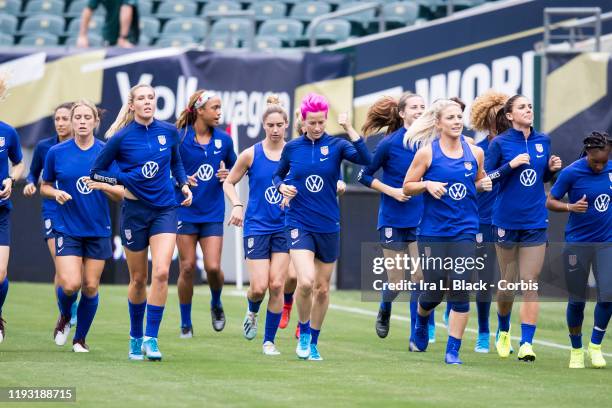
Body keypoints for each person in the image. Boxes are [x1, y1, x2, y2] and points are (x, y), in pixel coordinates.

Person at [90, 83, 192, 361]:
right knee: (138, 279)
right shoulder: (121, 138)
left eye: (151, 98)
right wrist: (124, 180)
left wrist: (183, 185)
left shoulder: (169, 132)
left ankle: (151, 338)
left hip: (165, 210)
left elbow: (177, 162)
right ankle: (135, 336)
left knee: (161, 273)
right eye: (142, 98)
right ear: (132, 104)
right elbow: (97, 172)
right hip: (134, 213)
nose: (147, 102)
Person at [273, 93, 372, 361]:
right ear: (302, 121)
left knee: (322, 289)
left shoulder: (337, 145)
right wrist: (281, 186)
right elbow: (277, 175)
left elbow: (366, 159)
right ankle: (303, 333)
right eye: (312, 122)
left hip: (328, 224)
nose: (317, 127)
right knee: (305, 282)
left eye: (321, 122)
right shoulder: (293, 147)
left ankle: (313, 341)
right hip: (298, 222)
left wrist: (349, 128)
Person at [403, 99, 492, 364]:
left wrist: (482, 183)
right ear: (439, 123)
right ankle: (421, 319)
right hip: (433, 232)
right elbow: (407, 186)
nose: (456, 121)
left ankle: (452, 349)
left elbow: (478, 179)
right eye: (450, 117)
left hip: (465, 230)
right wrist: (427, 184)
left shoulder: (474, 152)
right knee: (434, 290)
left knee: (461, 287)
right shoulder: (427, 153)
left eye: (458, 117)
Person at [41, 100, 124, 352]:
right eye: (78, 117)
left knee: (90, 286)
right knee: (69, 284)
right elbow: (45, 186)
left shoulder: (106, 152)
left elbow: (120, 192)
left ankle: (80, 339)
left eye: (87, 117)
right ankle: (65, 315)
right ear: (72, 120)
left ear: (95, 121)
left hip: (98, 229)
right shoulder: (57, 152)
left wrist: (104, 185)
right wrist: (55, 193)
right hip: (67, 227)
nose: (82, 121)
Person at [485, 94, 562, 362]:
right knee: (507, 284)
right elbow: (485, 180)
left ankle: (527, 343)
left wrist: (551, 171)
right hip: (506, 221)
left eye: (530, 106)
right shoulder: (500, 143)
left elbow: (540, 179)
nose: (528, 110)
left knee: (530, 283)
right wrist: (510, 165)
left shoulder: (544, 140)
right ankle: (503, 329)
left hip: (535, 221)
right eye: (522, 107)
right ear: (509, 115)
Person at [356, 93, 436, 348]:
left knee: (421, 278)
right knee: (396, 282)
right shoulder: (389, 143)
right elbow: (364, 175)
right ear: (402, 113)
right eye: (414, 107)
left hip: (422, 219)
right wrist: (392, 191)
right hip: (392, 218)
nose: (419, 110)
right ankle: (385, 306)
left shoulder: (433, 143)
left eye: (423, 107)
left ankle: (417, 335)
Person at [223, 95, 290, 355]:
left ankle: (269, 341)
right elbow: (229, 182)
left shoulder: (294, 153)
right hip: (257, 226)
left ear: (286, 125)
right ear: (264, 125)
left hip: (285, 226)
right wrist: (237, 205)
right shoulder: (251, 154)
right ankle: (252, 311)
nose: (275, 130)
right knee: (259, 286)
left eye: (279, 125)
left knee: (277, 285)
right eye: (270, 125)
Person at [546, 131, 611, 368]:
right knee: (577, 300)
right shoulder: (572, 172)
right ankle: (576, 349)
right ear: (588, 154)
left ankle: (595, 347)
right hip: (577, 243)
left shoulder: (610, 169)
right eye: (596, 161)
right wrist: (570, 206)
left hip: (606, 243)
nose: (600, 165)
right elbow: (550, 201)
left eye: (604, 161)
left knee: (608, 295)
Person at [174, 89, 236, 337]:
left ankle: (216, 302)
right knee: (187, 267)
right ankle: (185, 322)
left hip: (211, 212)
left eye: (221, 108)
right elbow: (167, 169)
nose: (219, 113)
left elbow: (235, 168)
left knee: (212, 267)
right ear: (200, 111)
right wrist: (180, 180)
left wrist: (227, 175)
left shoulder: (224, 140)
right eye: (215, 108)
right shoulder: (179, 138)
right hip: (185, 211)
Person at [23, 103, 77, 324]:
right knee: (61, 263)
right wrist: (29, 184)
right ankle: (66, 311)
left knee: (77, 271)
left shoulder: (86, 146)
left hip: (77, 210)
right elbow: (33, 173)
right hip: (53, 210)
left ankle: (70, 300)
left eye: (65, 119)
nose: (61, 123)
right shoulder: (45, 147)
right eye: (57, 119)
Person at [465, 90, 508, 353]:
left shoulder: (515, 148)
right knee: (482, 280)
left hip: (508, 222)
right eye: (496, 119)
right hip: (481, 220)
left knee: (508, 280)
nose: (501, 123)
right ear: (487, 121)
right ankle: (483, 331)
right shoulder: (476, 151)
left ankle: (505, 332)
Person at [0, 76, 25, 343]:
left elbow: (19, 164)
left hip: (1, 211)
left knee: (0, 274)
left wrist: (10, 178)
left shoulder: (7, 132)